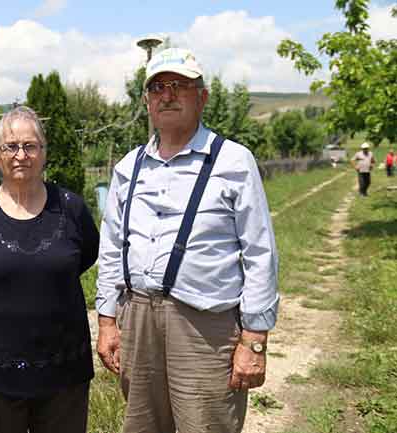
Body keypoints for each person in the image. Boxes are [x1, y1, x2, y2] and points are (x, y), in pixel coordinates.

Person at [95, 48, 279, 433]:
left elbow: (260, 254)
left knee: (206, 425)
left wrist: (255, 340)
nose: (168, 94)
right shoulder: (128, 168)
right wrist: (108, 321)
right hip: (138, 319)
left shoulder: (233, 161)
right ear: (146, 101)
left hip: (204, 326)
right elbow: (111, 249)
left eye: (180, 85)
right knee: (142, 426)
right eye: (158, 87)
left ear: (202, 96)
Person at [0, 106, 99, 433]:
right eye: (10, 146)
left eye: (30, 146)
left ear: (43, 154)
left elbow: (86, 256)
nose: (20, 155)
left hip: (64, 375)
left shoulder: (71, 209)